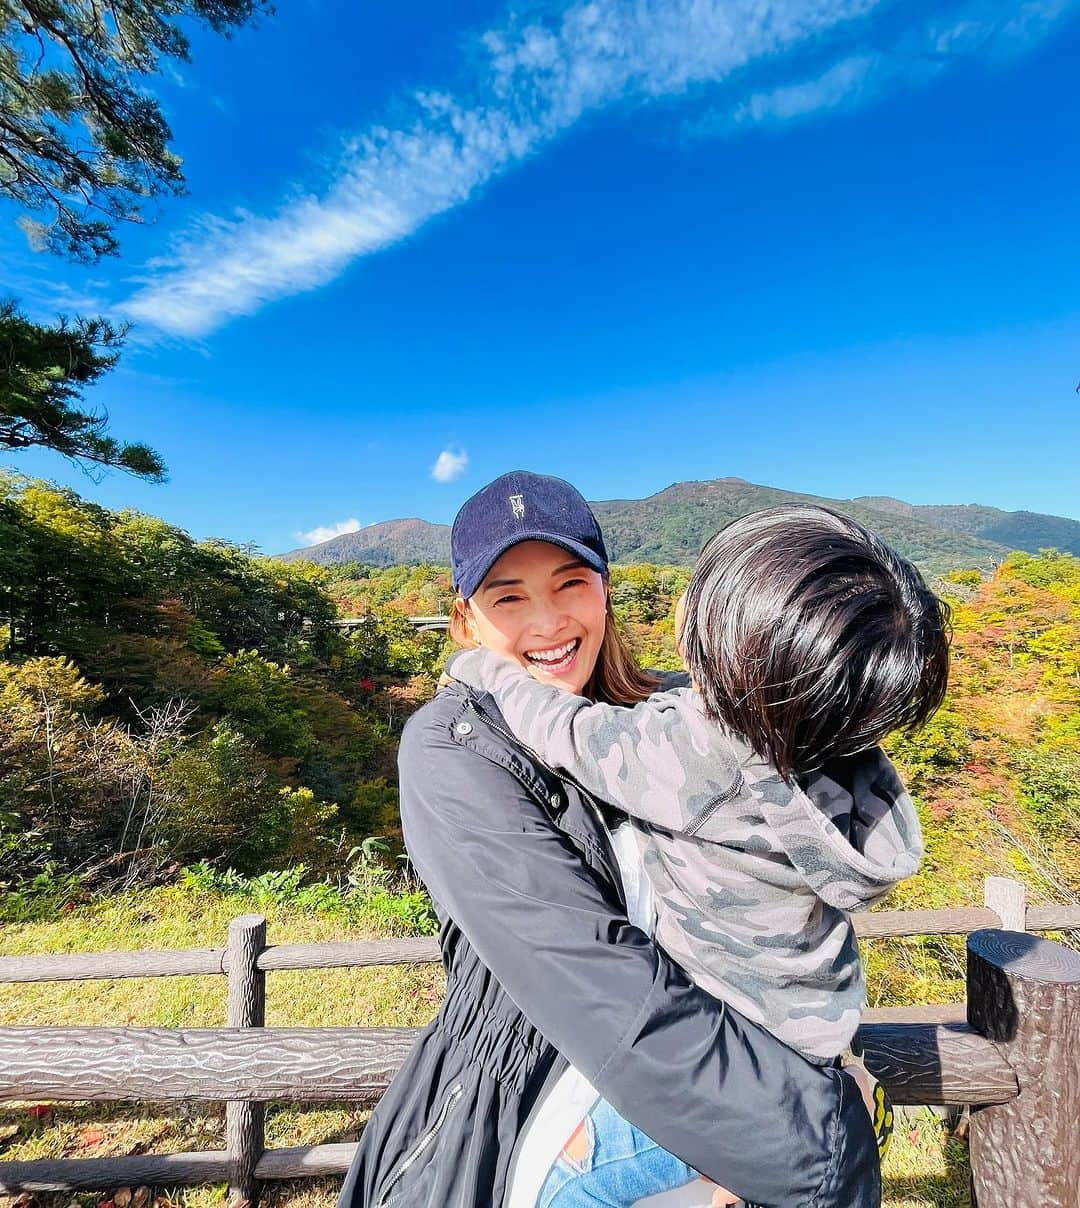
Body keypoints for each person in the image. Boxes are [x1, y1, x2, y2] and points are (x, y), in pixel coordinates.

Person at [336, 473, 880, 1208]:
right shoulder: (454, 747)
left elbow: (790, 889)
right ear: (466, 619)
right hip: (534, 1110)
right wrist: (808, 1126)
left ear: (605, 589)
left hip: (720, 1097)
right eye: (508, 597)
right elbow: (588, 974)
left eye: (570, 584)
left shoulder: (671, 718)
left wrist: (812, 1059)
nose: (549, 622)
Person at [447, 504, 952, 1204]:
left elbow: (561, 728)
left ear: (732, 647)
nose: (686, 597)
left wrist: (483, 671)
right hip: (808, 1037)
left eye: (707, 589)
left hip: (724, 1061)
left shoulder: (693, 752)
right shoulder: (820, 744)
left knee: (555, 1189)